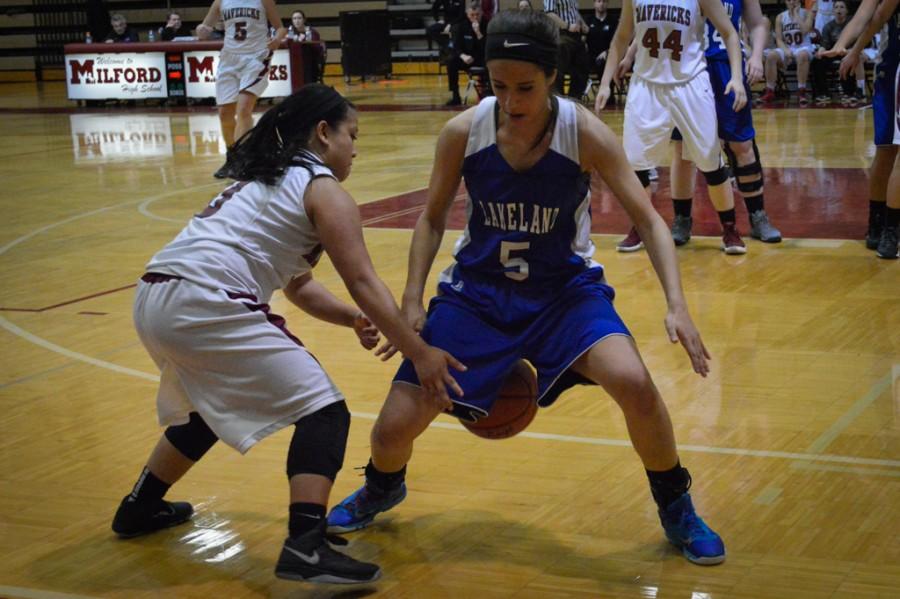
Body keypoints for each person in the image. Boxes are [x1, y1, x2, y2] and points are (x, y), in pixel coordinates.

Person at [327, 9, 727, 567]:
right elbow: (432, 219)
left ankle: (676, 503)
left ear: (552, 79)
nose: (511, 100)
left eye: (526, 88)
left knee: (635, 382)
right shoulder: (463, 133)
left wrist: (677, 305)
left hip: (563, 295)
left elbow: (652, 219)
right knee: (393, 429)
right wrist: (414, 299)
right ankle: (382, 485)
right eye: (498, 86)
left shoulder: (582, 132)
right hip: (478, 296)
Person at [109, 84, 466, 584]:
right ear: (323, 133)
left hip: (154, 297)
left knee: (206, 408)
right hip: (207, 299)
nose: (356, 148)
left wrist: (349, 319)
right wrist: (421, 352)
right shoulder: (323, 189)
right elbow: (363, 280)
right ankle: (306, 546)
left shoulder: (262, 180)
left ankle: (140, 506)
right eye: (352, 135)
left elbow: (298, 285)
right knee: (325, 411)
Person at [595, 0, 749, 254]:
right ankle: (640, 227)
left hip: (690, 83)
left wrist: (736, 78)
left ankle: (730, 229)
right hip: (647, 84)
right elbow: (621, 37)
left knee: (710, 162)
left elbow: (730, 32)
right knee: (637, 165)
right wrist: (604, 83)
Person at [668, 0, 783, 247]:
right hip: (689, 69)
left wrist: (755, 55)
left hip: (727, 66)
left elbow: (757, 23)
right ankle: (682, 219)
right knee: (683, 149)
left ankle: (757, 215)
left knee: (742, 145)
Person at [835, 0, 900, 258]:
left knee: (887, 152)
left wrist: (848, 48)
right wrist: (848, 47)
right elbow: (874, 13)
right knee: (887, 151)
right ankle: (886, 228)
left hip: (891, 68)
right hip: (894, 66)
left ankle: (881, 227)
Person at [196, 0, 287, 159]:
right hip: (229, 58)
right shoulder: (220, 2)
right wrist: (201, 30)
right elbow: (204, 28)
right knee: (225, 113)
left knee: (244, 109)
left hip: (256, 57)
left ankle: (245, 158)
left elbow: (281, 28)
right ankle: (232, 156)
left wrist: (277, 39)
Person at [759, 0, 817, 105]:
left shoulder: (807, 13)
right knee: (771, 56)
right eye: (789, 0)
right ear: (786, 2)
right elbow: (779, 40)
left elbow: (805, 30)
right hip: (788, 47)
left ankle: (801, 91)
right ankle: (770, 90)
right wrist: (786, 51)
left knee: (802, 55)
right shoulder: (780, 17)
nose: (792, 2)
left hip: (804, 47)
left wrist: (796, 14)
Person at [814, 1, 867, 104]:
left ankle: (852, 92)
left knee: (850, 59)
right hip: (835, 52)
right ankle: (823, 93)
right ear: (833, 11)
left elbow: (859, 42)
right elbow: (824, 45)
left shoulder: (852, 23)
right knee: (817, 61)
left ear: (847, 11)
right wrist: (820, 52)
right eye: (836, 7)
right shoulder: (828, 27)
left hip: (851, 51)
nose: (839, 10)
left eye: (842, 7)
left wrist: (851, 51)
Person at [544, 0, 591, 98]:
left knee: (582, 68)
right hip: (561, 33)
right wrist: (567, 26)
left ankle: (574, 99)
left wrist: (582, 23)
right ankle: (558, 100)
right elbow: (549, 13)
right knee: (559, 70)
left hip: (576, 34)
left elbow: (573, 11)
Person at [445, 2, 487, 106]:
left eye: (477, 14)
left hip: (481, 58)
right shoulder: (461, 26)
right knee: (451, 61)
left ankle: (488, 94)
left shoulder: (487, 25)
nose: (475, 17)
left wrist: (478, 33)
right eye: (472, 15)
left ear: (481, 13)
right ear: (467, 15)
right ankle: (455, 95)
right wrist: (463, 56)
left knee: (491, 62)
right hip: (466, 58)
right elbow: (455, 46)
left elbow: (487, 47)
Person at [586, 0, 619, 101]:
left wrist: (607, 51)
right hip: (591, 57)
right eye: (599, 1)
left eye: (604, 1)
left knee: (605, 62)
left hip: (607, 56)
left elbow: (617, 41)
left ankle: (607, 93)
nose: (601, 4)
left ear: (607, 4)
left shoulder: (613, 21)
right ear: (594, 3)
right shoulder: (588, 21)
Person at [289, 10, 326, 82]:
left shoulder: (312, 32)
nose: (297, 21)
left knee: (306, 53)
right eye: (294, 18)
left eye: (299, 18)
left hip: (310, 61)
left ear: (304, 20)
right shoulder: (290, 32)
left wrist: (305, 41)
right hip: (294, 61)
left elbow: (317, 49)